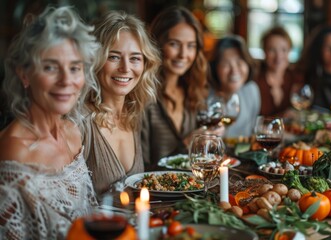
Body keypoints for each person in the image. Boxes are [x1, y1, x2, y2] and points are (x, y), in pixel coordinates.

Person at [0, 6, 98, 239]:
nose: (66, 80)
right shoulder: (14, 150)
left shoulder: (73, 132)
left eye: (75, 68)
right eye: (50, 67)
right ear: (24, 74)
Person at [82, 10, 160, 196]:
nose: (126, 68)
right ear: (95, 60)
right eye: (114, 56)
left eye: (135, 58)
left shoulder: (134, 113)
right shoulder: (80, 120)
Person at [141, 6, 223, 170]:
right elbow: (142, 168)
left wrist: (211, 140)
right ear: (156, 45)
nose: (183, 54)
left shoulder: (193, 91)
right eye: (174, 44)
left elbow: (198, 160)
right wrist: (187, 143)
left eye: (191, 46)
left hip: (192, 189)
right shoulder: (144, 97)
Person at [209, 35, 260, 137]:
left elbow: (252, 132)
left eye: (239, 62)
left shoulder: (251, 90)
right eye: (226, 64)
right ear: (215, 67)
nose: (234, 71)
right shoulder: (203, 96)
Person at [255, 26, 303, 117]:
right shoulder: (255, 81)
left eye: (284, 50)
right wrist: (282, 116)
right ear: (264, 52)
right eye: (272, 50)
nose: (278, 57)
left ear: (289, 51)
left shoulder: (296, 78)